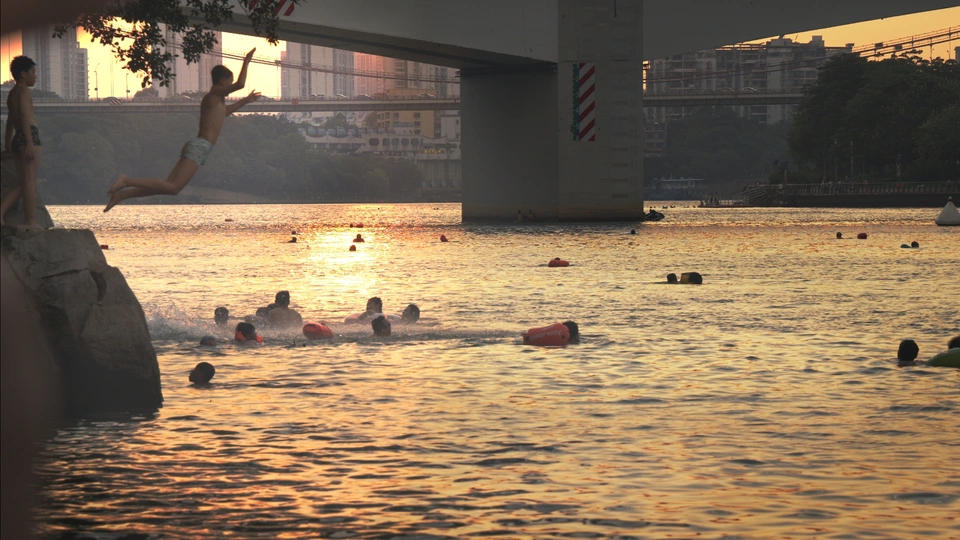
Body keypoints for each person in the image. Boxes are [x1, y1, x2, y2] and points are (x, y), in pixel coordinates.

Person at [104, 48, 261, 211]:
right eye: (230, 82)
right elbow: (241, 84)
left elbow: (225, 113)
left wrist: (246, 100)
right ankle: (126, 181)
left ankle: (123, 195)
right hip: (199, 146)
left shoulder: (218, 102)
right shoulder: (214, 94)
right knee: (172, 187)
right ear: (222, 81)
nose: (231, 86)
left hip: (199, 147)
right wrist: (246, 61)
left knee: (170, 187)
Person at [1, 56, 41, 226]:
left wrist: (7, 142)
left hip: (17, 137)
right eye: (33, 72)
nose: (35, 76)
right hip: (28, 135)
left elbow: (10, 120)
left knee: (23, 182)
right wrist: (30, 142)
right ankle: (30, 221)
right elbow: (24, 116)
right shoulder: (24, 91)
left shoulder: (12, 94)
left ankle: (1, 212)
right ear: (23, 74)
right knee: (30, 181)